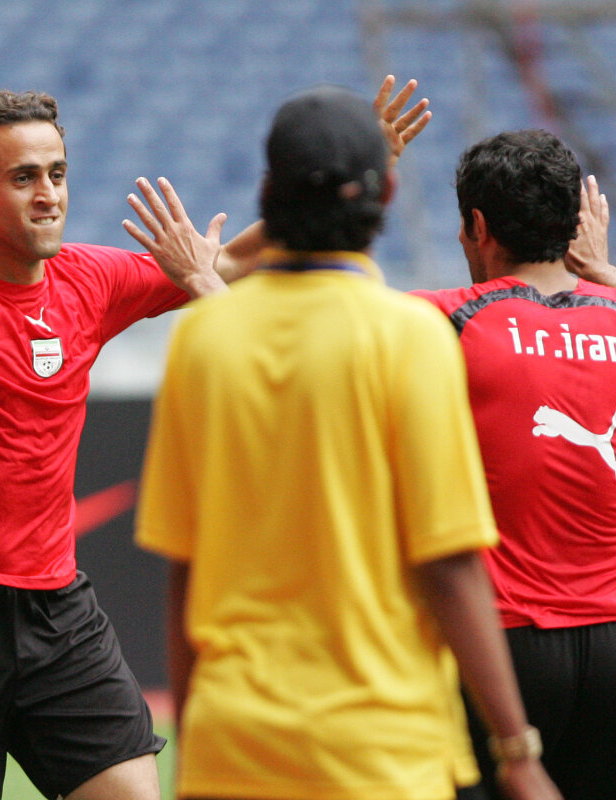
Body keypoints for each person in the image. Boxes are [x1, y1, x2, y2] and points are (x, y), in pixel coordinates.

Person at [0, 74, 262, 800]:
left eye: (57, 175)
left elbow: (236, 263)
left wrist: (349, 173)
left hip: (57, 610)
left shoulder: (89, 279)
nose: (49, 195)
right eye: (24, 177)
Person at [134, 85, 562, 800]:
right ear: (388, 193)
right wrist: (517, 751)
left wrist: (196, 746)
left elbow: (184, 570)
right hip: (382, 751)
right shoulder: (410, 336)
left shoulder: (202, 339)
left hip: (234, 748)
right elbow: (450, 564)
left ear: (267, 194)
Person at [409, 129, 616, 800]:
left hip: (501, 650)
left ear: (478, 226)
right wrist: (606, 271)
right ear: (575, 225)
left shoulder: (448, 321)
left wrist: (204, 279)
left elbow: (331, 329)